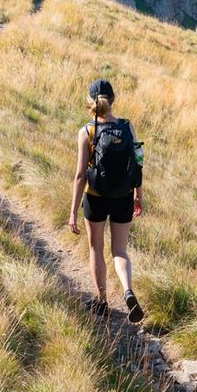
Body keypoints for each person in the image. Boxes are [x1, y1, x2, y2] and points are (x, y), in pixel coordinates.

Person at [68, 79, 146, 323]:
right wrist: (138, 195)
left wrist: (72, 212)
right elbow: (138, 163)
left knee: (96, 250)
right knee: (120, 251)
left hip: (96, 198)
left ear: (90, 102)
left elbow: (81, 175)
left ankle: (102, 302)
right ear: (113, 101)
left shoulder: (87, 131)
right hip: (123, 195)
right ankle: (127, 290)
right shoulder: (127, 127)